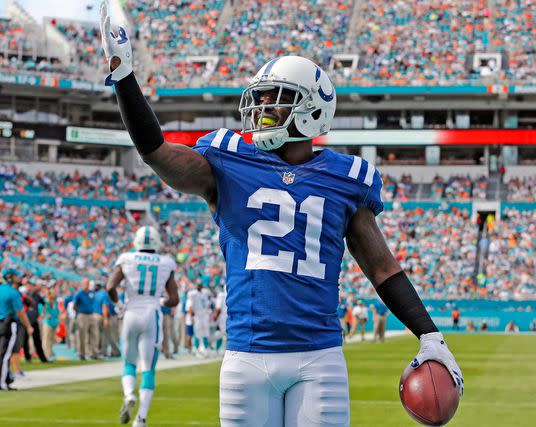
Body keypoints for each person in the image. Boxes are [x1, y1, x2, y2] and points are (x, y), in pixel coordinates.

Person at [99, 7, 463, 426]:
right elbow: (156, 154)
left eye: (277, 97)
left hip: (318, 358)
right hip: (247, 356)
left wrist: (429, 333)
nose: (263, 106)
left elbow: (382, 269)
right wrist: (124, 76)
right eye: (262, 96)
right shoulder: (227, 159)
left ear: (313, 108)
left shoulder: (346, 178)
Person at [106, 226, 179, 427]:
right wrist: (160, 301)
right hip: (151, 314)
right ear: (156, 241)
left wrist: (118, 306)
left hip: (130, 312)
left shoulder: (127, 258)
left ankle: (129, 394)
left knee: (129, 363)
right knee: (148, 368)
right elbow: (174, 299)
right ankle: (141, 418)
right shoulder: (166, 262)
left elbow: (110, 287)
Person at [0, 268, 33, 391]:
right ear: (10, 277)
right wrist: (28, 326)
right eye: (16, 276)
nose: (18, 278)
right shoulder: (13, 292)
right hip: (8, 324)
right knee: (5, 354)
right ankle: (3, 382)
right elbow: (20, 312)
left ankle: (6, 378)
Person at [22, 279, 48, 363]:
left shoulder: (37, 295)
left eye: (30, 285)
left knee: (37, 340)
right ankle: (27, 357)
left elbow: (44, 304)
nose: (29, 287)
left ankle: (42, 358)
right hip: (26, 320)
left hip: (34, 320)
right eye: (28, 285)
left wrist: (42, 314)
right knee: (25, 340)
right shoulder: (24, 295)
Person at [186, 282, 212, 357]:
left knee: (206, 333)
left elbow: (207, 305)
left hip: (204, 316)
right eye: (198, 285)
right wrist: (191, 318)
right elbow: (190, 307)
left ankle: (206, 349)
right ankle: (197, 349)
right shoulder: (192, 294)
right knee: (197, 334)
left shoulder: (204, 293)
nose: (199, 286)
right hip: (197, 316)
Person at [73, 279, 94, 360]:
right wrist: (79, 312)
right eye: (85, 283)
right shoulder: (79, 293)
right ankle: (82, 354)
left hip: (90, 314)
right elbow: (74, 304)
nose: (87, 285)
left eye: (88, 283)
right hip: (82, 315)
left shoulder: (90, 293)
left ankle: (93, 353)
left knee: (93, 334)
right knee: (82, 335)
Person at [42, 286, 60, 361]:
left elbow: (57, 312)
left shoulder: (56, 302)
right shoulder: (46, 301)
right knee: (46, 339)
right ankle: (45, 354)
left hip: (54, 322)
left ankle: (49, 353)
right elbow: (42, 311)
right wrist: (46, 315)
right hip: (48, 322)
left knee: (51, 339)